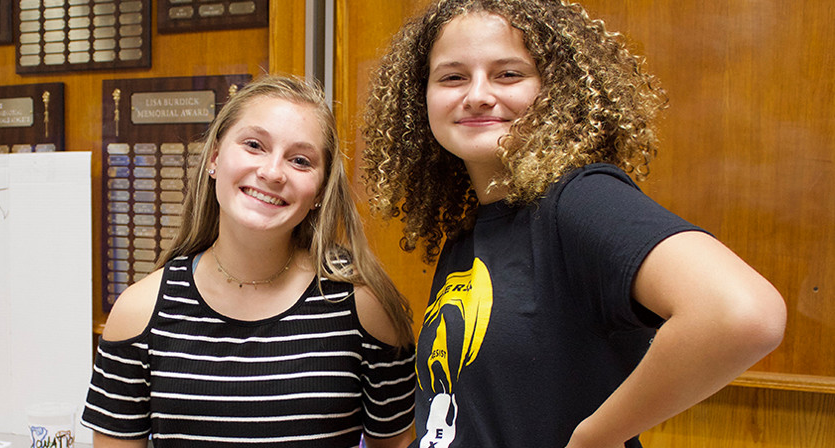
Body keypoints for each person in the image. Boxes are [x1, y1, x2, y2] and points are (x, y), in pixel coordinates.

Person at [360, 1, 786, 447]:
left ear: (557, 90)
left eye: (508, 74)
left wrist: (594, 438)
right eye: (452, 77)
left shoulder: (578, 199)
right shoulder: (475, 228)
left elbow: (742, 313)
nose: (477, 95)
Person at [81, 75, 418, 448]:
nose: (272, 172)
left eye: (300, 160)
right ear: (214, 158)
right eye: (254, 145)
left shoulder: (364, 308)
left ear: (320, 191)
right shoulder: (138, 313)